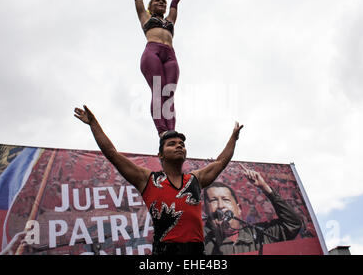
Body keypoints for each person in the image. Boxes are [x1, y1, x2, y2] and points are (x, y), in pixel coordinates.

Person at [74, 105, 243, 255]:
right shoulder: (147, 180)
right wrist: (94, 125)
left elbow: (220, 162)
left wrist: (233, 138)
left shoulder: (195, 180)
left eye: (181, 144)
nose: (179, 146)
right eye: (172, 144)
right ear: (160, 155)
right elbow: (112, 154)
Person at [117, 0, 191, 137]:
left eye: (163, 2)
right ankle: (162, 131)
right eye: (157, 1)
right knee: (158, 90)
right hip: (152, 52)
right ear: (151, 6)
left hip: (170, 55)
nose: (161, 4)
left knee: (169, 93)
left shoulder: (170, 19)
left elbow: (174, 4)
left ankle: (171, 130)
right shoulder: (145, 16)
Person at [203, 166, 302, 255]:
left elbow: (293, 224)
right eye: (214, 200)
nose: (220, 206)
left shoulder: (260, 234)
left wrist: (265, 187)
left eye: (226, 200)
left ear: (239, 209)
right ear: (205, 210)